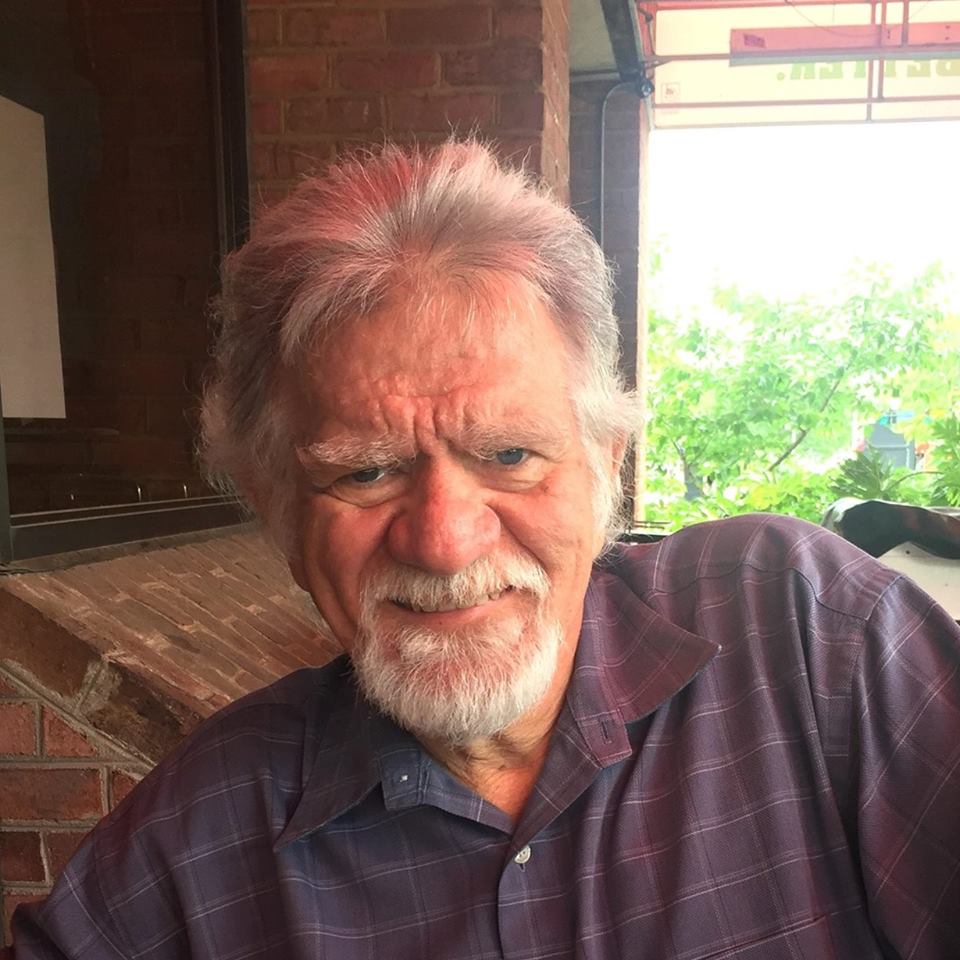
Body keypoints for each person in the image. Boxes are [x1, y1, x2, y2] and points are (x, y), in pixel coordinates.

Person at [10, 141, 960, 959]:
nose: (443, 541)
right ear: (279, 513)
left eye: (509, 456)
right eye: (366, 471)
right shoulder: (200, 836)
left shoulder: (812, 638)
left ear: (605, 469)